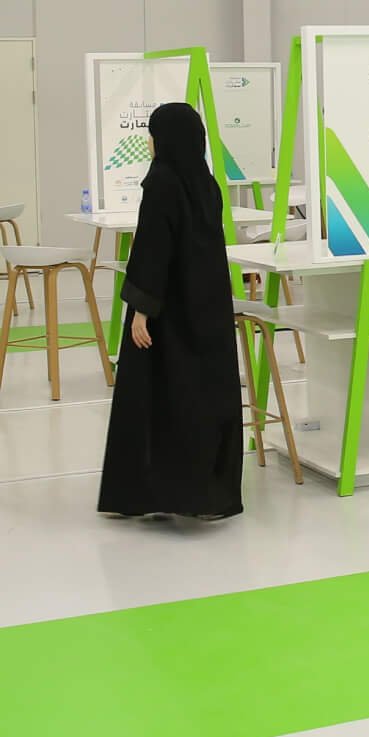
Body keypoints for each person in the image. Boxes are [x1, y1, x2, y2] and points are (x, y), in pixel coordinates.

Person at [98, 103, 244, 520]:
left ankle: (152, 493)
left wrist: (141, 310)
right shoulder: (206, 182)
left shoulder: (162, 181)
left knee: (158, 396)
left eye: (152, 134)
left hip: (169, 311)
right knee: (204, 396)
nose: (148, 142)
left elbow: (154, 248)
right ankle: (207, 493)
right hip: (208, 308)